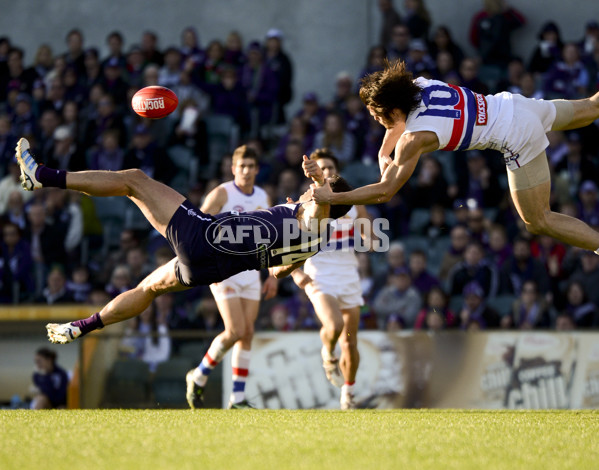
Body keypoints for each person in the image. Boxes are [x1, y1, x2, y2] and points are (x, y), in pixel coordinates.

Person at [14, 137, 351, 386]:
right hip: (210, 269)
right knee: (147, 289)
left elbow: (317, 209)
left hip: (203, 236)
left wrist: (319, 183)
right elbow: (277, 271)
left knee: (133, 179)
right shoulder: (313, 241)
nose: (310, 190)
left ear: (324, 198)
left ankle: (42, 175)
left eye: (317, 190)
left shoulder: (314, 215)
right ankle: (82, 326)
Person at [306, 58, 599, 258]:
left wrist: (331, 199)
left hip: (518, 136)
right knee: (590, 107)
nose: (377, 122)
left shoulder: (413, 139)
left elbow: (385, 191)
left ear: (392, 111)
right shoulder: (418, 85)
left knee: (538, 221)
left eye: (377, 116)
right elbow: (397, 122)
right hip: (514, 104)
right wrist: (385, 152)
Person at [189, 145, 279, 409]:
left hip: (251, 272)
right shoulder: (222, 193)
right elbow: (199, 226)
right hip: (224, 270)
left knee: (247, 333)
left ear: (257, 170)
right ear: (233, 168)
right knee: (235, 330)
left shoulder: (263, 196)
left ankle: (237, 399)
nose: (247, 171)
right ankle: (200, 374)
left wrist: (273, 275)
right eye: (242, 166)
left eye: (251, 166)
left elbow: (271, 239)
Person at [290, 149, 373, 410]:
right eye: (321, 168)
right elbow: (288, 242)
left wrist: (370, 240)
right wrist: (296, 273)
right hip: (319, 274)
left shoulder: (351, 201)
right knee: (335, 324)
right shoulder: (307, 199)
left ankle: (348, 394)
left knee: (350, 340)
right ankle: (327, 354)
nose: (325, 172)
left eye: (329, 168)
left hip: (348, 272)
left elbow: (368, 231)